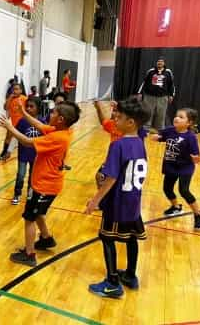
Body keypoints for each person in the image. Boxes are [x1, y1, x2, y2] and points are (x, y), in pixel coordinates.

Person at [0, 101, 81, 267]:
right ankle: (46, 238)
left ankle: (29, 254)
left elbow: (28, 141)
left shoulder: (56, 137)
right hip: (50, 185)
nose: (50, 115)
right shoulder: (64, 131)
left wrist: (10, 128)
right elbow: (39, 125)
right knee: (39, 213)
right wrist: (23, 113)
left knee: (29, 218)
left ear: (61, 119)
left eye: (54, 113)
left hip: (44, 186)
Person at [86, 98, 150, 298]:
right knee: (131, 238)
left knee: (106, 237)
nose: (114, 119)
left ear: (131, 122)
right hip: (133, 201)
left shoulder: (118, 145)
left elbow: (111, 177)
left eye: (119, 117)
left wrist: (95, 200)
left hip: (117, 203)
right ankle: (130, 275)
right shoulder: (139, 142)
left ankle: (113, 282)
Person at [150, 108, 200, 229]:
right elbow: (162, 136)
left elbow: (196, 155)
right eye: (176, 115)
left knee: (184, 190)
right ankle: (176, 207)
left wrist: (196, 158)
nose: (176, 118)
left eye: (181, 117)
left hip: (185, 167)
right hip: (171, 165)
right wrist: (156, 137)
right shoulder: (170, 130)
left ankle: (198, 215)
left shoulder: (190, 137)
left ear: (189, 123)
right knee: (167, 189)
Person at [93, 99, 148, 188]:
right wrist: (99, 108)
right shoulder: (113, 125)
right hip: (113, 160)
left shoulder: (134, 133)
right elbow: (103, 121)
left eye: (119, 114)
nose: (115, 114)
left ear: (130, 122)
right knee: (99, 176)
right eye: (114, 111)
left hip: (126, 163)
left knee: (114, 181)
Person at [11, 97, 47, 205]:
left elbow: (46, 139)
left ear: (38, 108)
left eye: (32, 106)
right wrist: (9, 149)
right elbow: (15, 135)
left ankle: (30, 194)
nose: (28, 108)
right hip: (23, 154)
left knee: (33, 176)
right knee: (21, 175)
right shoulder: (22, 121)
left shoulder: (42, 122)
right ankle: (17, 194)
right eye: (27, 106)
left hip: (36, 155)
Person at [137, 57, 175, 132]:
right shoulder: (151, 71)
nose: (160, 63)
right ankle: (146, 128)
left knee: (161, 114)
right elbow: (144, 83)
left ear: (164, 63)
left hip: (162, 97)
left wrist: (171, 95)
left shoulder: (168, 72)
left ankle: (160, 129)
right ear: (156, 63)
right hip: (149, 97)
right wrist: (140, 93)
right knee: (148, 112)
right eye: (158, 61)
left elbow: (171, 85)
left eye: (161, 61)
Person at [0, 83, 27, 161]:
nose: (15, 91)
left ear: (21, 90)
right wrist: (10, 98)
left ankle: (18, 154)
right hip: (12, 122)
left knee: (21, 140)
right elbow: (5, 107)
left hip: (21, 123)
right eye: (13, 89)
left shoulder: (24, 99)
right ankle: (4, 152)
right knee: (8, 137)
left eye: (17, 89)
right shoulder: (10, 99)